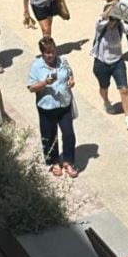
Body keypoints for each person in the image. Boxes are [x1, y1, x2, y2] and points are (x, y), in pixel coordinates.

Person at [91, 5, 128, 131]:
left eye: (115, 20)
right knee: (104, 87)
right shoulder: (101, 27)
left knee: (124, 90)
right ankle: (106, 101)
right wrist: (113, 5)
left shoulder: (120, 26)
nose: (113, 23)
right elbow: (102, 17)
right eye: (111, 19)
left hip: (117, 62)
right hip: (102, 62)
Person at [27, 37, 78, 178]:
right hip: (47, 107)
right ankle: (54, 161)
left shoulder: (62, 61)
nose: (51, 55)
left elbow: (69, 73)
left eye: (52, 52)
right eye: (47, 53)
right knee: (49, 136)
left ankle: (68, 161)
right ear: (42, 53)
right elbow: (31, 87)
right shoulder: (37, 66)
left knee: (68, 134)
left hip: (64, 104)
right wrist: (44, 83)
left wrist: (71, 80)